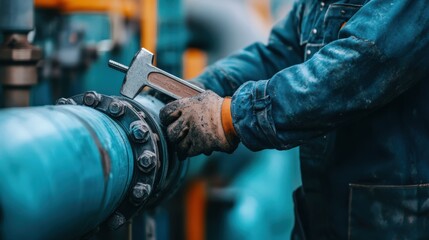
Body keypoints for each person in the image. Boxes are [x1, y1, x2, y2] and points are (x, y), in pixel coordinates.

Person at [159, 0, 429, 239]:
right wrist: (196, 89)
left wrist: (229, 116)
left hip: (392, 220)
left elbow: (358, 67)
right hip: (323, 212)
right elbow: (278, 54)